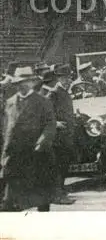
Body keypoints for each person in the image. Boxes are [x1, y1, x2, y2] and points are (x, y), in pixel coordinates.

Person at [1, 66, 57, 212]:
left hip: (36, 153)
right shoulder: (10, 102)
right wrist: (5, 153)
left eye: (25, 82)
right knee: (10, 197)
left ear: (32, 82)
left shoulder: (42, 101)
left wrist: (42, 142)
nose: (22, 85)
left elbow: (50, 124)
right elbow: (7, 128)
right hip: (15, 154)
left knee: (41, 196)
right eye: (19, 83)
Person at [42, 64, 76, 205]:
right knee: (59, 167)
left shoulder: (64, 92)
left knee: (64, 165)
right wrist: (56, 124)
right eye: (65, 78)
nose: (68, 80)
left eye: (69, 78)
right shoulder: (54, 93)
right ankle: (57, 196)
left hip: (66, 135)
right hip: (58, 137)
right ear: (59, 79)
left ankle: (60, 192)